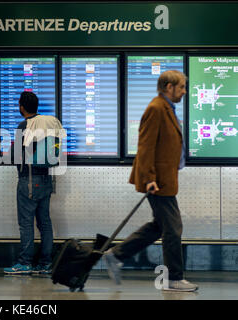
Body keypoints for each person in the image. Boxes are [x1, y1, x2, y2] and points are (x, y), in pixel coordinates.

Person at [103, 70, 198, 292]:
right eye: (181, 87)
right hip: (157, 181)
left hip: (164, 179)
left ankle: (116, 255)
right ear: (168, 87)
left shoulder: (166, 108)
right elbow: (145, 146)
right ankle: (173, 278)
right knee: (173, 228)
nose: (184, 91)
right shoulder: (156, 108)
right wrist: (149, 179)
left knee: (159, 226)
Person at [4, 91, 64, 275]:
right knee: (44, 222)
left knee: (26, 222)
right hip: (46, 178)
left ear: (21, 107)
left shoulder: (25, 125)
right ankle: (45, 263)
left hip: (28, 179)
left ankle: (25, 262)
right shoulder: (49, 122)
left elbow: (14, 156)